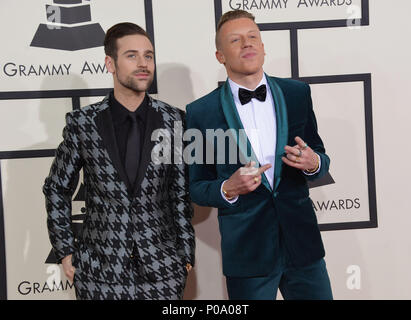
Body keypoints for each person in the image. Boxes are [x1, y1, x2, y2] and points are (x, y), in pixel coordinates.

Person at [186, 10, 332, 300]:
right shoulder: (200, 112)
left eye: (253, 37)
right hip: (248, 253)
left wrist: (313, 162)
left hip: (303, 247)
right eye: (236, 40)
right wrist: (228, 187)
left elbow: (320, 156)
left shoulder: (297, 94)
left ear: (263, 47)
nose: (247, 44)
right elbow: (197, 187)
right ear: (220, 56)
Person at [43, 22, 195, 300]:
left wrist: (185, 254)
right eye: (131, 55)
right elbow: (56, 187)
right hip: (99, 270)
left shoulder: (174, 120)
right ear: (109, 63)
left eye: (148, 55)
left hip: (163, 268)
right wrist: (65, 250)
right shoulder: (83, 123)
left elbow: (180, 192)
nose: (143, 64)